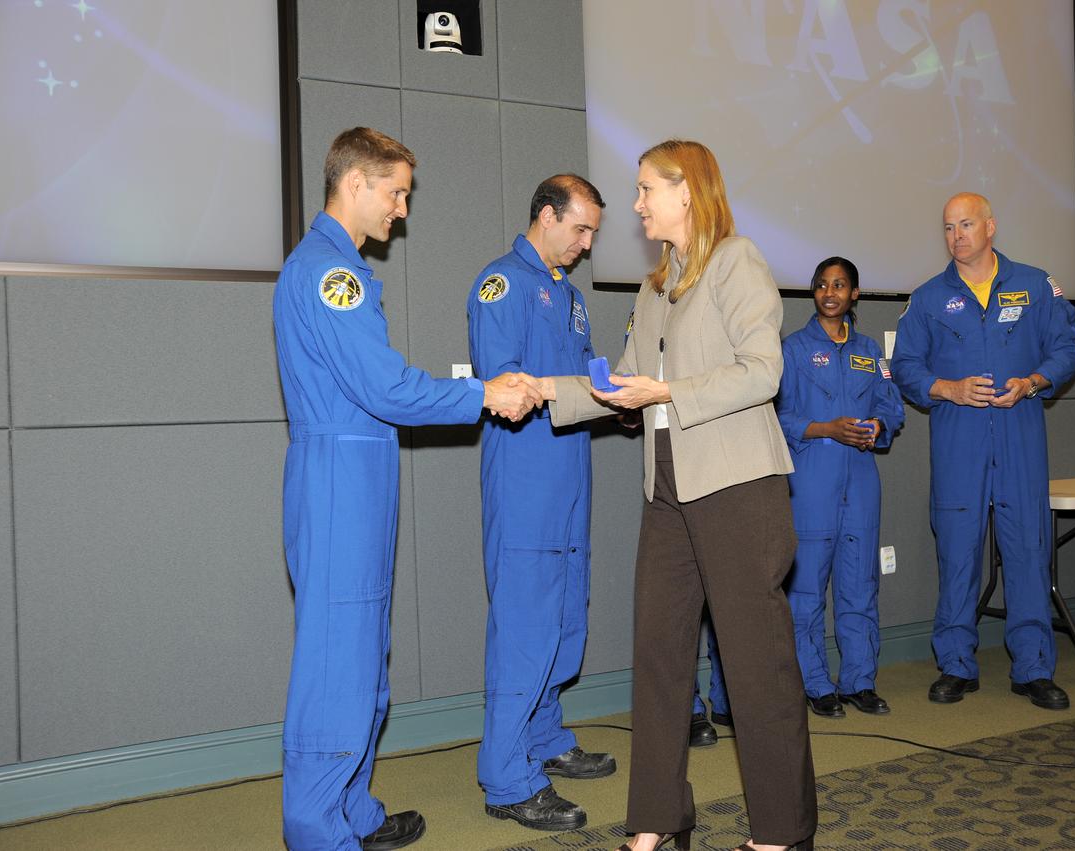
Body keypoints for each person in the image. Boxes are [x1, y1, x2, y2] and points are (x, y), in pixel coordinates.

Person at [538, 139, 816, 851]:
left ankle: (782, 830)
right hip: (667, 492)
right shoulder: (655, 286)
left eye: (644, 190)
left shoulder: (737, 262)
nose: (635, 205)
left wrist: (667, 391)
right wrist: (544, 390)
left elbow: (762, 371)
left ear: (686, 192)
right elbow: (621, 381)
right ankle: (659, 818)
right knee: (659, 658)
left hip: (737, 488)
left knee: (755, 665)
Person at [273, 127, 542, 851]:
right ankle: (318, 832)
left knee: (362, 658)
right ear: (355, 183)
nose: (401, 209)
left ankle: (350, 812)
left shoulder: (334, 267)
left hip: (356, 476)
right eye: (394, 192)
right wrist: (484, 394)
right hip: (340, 483)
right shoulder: (333, 274)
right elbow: (383, 385)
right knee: (338, 666)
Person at [891, 192, 1075, 711]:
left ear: (991, 226)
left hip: (1019, 437)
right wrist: (947, 389)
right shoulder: (929, 299)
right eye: (949, 227)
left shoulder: (1035, 286)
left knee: (1027, 551)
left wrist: (1035, 381)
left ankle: (1033, 668)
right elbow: (905, 367)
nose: (957, 236)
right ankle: (956, 664)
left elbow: (1065, 348)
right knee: (957, 553)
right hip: (959, 444)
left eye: (967, 224)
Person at [466, 175, 616, 832]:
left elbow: (592, 371)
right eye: (580, 229)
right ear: (547, 216)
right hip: (527, 483)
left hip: (570, 484)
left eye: (592, 234)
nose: (587, 244)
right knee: (526, 628)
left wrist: (622, 395)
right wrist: (583, 389)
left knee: (562, 621)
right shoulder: (500, 283)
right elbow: (506, 382)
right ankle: (507, 777)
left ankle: (545, 739)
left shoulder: (571, 296)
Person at [775, 257, 905, 717]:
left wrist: (876, 426)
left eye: (840, 285)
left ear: (855, 294)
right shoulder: (791, 349)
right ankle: (815, 683)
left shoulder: (871, 351)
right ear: (813, 292)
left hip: (862, 487)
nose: (830, 292)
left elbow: (893, 411)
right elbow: (777, 417)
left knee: (859, 585)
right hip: (811, 484)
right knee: (806, 590)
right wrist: (826, 428)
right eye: (822, 285)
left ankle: (858, 680)